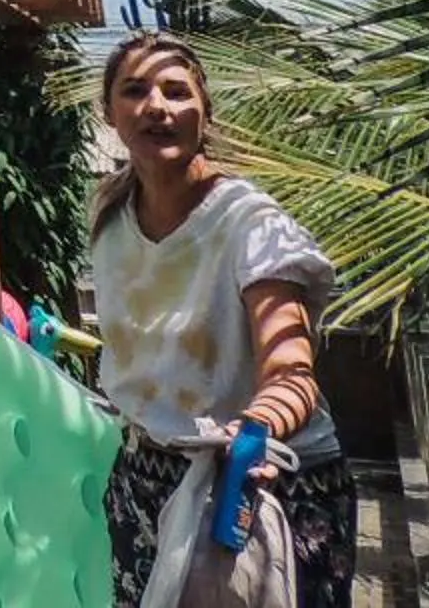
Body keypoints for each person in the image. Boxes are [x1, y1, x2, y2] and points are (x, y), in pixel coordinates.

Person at [89, 33, 351, 608]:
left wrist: (257, 427)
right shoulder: (109, 221)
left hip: (263, 489)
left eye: (176, 91)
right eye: (135, 90)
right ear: (108, 111)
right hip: (144, 484)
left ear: (204, 112)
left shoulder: (250, 225)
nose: (156, 106)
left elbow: (292, 373)